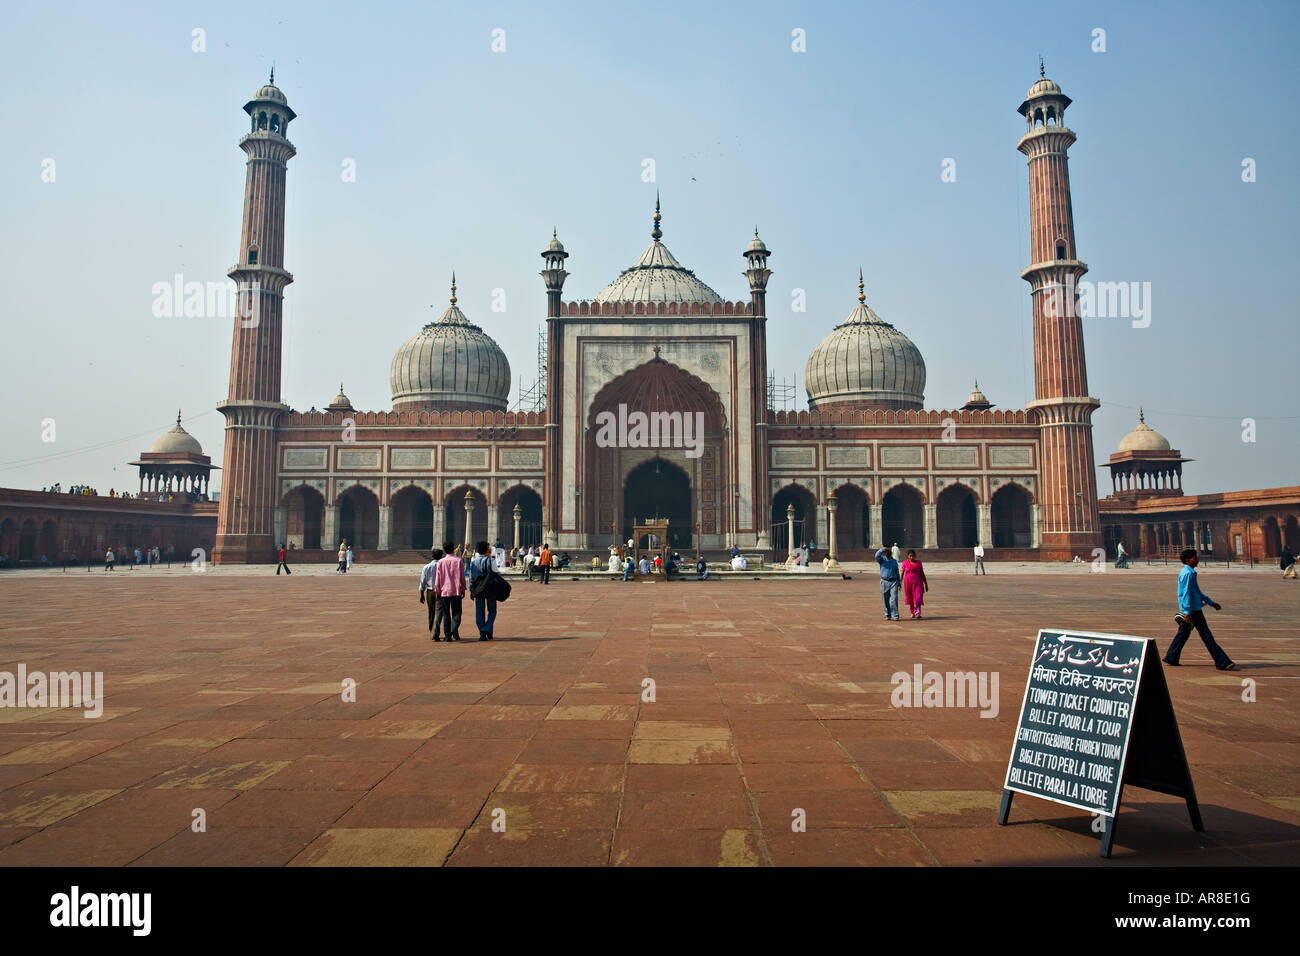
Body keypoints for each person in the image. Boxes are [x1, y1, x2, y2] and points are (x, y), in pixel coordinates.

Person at [1164, 548, 1235, 670]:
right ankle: (1222, 661)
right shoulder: (1187, 574)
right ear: (1188, 560)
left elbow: (1196, 591)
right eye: (1194, 558)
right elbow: (1186, 593)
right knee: (1206, 635)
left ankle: (1171, 656)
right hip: (1193, 610)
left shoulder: (1190, 572)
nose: (1197, 560)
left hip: (1192, 608)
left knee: (1183, 634)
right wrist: (1187, 612)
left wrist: (1210, 602)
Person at [433, 541, 465, 641]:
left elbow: (438, 579)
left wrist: (437, 591)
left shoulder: (440, 562)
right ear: (453, 548)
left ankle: (448, 636)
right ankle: (453, 630)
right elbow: (462, 577)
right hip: (456, 591)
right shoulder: (459, 561)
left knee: (446, 614)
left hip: (444, 591)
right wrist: (463, 588)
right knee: (457, 613)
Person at [468, 540, 498, 641]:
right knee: (492, 610)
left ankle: (482, 633)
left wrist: (471, 589)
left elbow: (471, 578)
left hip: (478, 589)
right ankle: (487, 629)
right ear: (486, 550)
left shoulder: (473, 562)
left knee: (479, 612)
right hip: (490, 588)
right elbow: (497, 575)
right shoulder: (491, 561)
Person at [419, 548, 445, 640]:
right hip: (441, 592)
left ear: (432, 556)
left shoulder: (426, 567)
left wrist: (422, 594)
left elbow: (423, 582)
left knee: (431, 612)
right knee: (439, 612)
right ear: (441, 556)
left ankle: (432, 631)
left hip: (430, 592)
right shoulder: (443, 566)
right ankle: (435, 632)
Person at [875, 545, 901, 621]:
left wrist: (899, 582)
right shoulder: (882, 560)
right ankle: (888, 614)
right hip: (884, 581)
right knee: (885, 599)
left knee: (894, 599)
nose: (887, 553)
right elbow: (876, 555)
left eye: (888, 552)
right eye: (886, 552)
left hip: (893, 581)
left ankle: (895, 615)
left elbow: (897, 572)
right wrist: (883, 549)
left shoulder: (894, 561)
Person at [901, 550, 929, 619]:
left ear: (915, 556)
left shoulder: (919, 563)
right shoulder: (905, 563)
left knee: (917, 598)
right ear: (908, 556)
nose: (911, 557)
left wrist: (926, 583)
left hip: (918, 582)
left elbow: (922, 573)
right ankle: (913, 612)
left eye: (913, 556)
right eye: (910, 556)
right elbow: (902, 573)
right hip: (908, 583)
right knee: (910, 598)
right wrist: (899, 582)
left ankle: (917, 613)